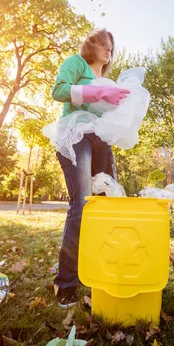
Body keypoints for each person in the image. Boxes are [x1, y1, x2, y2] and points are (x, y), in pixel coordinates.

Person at [50, 29, 130, 308]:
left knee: (109, 201)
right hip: (75, 136)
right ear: (91, 45)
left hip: (100, 139)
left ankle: (97, 270)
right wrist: (91, 91)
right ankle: (66, 283)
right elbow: (58, 91)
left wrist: (122, 105)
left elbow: (108, 116)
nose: (109, 49)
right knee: (82, 205)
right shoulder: (76, 63)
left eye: (112, 46)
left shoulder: (106, 79)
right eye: (104, 44)